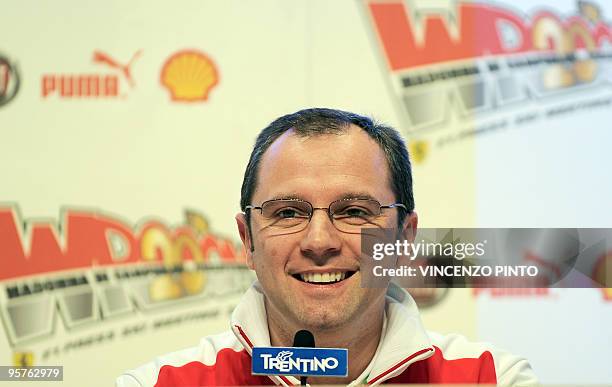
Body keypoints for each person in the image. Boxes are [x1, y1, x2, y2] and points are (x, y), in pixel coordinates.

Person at [117, 108, 537, 386]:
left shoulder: (493, 378)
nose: (319, 242)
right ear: (248, 241)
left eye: (354, 211)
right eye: (287, 213)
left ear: (404, 239)